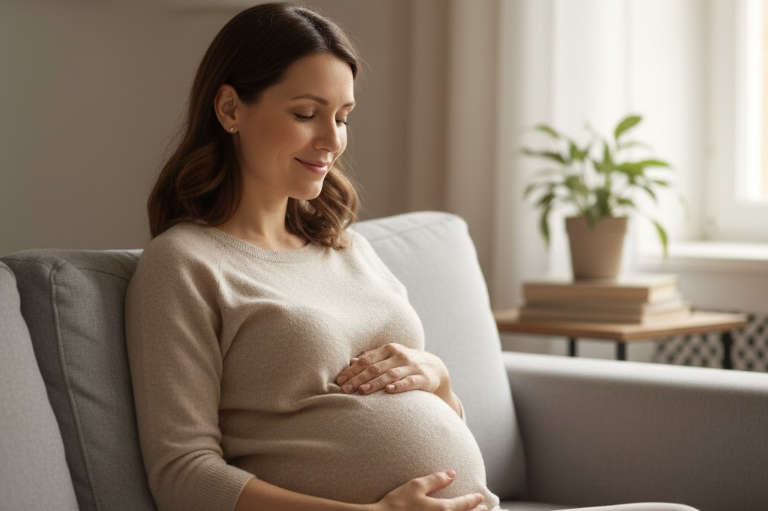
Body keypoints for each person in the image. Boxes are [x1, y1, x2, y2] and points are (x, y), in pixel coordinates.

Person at [124, 3, 698, 511]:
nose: (332, 140)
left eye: (343, 117)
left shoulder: (349, 247)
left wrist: (440, 381)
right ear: (230, 109)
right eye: (306, 113)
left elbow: (435, 421)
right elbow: (183, 476)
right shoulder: (185, 264)